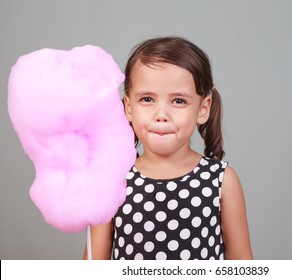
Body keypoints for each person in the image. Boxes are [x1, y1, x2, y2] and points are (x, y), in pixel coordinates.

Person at [83, 36, 253, 260]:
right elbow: (95, 261)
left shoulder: (222, 181)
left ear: (203, 108)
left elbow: (241, 260)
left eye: (178, 101)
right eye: (147, 99)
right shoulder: (113, 182)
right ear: (128, 107)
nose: (161, 115)